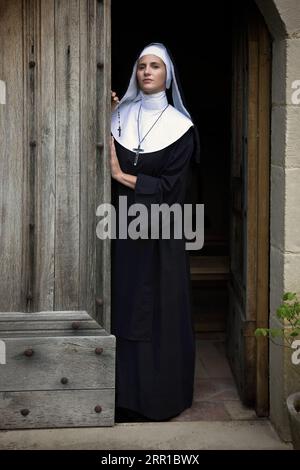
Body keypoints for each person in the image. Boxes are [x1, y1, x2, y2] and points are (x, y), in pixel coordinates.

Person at [110, 42, 200, 422]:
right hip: (116, 230)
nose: (147, 71)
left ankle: (159, 400)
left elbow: (172, 190)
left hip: (162, 235)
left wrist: (121, 176)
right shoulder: (118, 116)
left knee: (157, 312)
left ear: (168, 76)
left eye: (155, 66)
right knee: (121, 308)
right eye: (141, 66)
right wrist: (105, 112)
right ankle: (121, 397)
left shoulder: (182, 129)